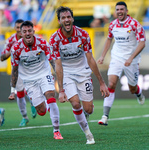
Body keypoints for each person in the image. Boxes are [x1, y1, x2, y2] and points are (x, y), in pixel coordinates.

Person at [49, 6, 109, 144]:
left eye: (68, 17)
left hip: (83, 73)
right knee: (76, 104)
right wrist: (61, 90)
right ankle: (88, 134)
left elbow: (90, 59)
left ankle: (86, 113)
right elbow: (58, 65)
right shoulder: (54, 39)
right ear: (59, 21)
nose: (67, 20)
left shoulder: (83, 34)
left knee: (88, 109)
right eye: (63, 18)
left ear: (72, 18)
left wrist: (101, 82)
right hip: (67, 74)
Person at [9, 21, 63, 139]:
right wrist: (13, 90)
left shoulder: (43, 43)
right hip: (29, 80)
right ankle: (42, 104)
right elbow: (15, 69)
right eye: (24, 32)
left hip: (44, 74)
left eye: (30, 31)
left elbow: (53, 62)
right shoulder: (16, 48)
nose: (27, 34)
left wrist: (60, 82)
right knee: (42, 111)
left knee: (51, 97)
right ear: (21, 33)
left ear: (33, 31)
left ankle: (56, 130)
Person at [97, 1, 146, 126]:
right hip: (117, 58)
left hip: (132, 60)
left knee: (132, 88)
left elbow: (142, 43)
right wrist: (102, 56)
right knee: (111, 84)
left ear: (126, 11)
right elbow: (109, 39)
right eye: (117, 9)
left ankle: (138, 93)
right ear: (115, 11)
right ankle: (105, 116)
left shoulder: (135, 24)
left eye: (122, 9)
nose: (119, 11)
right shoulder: (112, 25)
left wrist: (131, 58)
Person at [1, 19, 37, 127]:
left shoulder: (33, 38)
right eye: (18, 28)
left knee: (33, 90)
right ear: (17, 29)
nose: (20, 31)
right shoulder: (11, 40)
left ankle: (33, 103)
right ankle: (24, 117)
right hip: (18, 69)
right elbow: (2, 57)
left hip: (31, 67)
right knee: (19, 93)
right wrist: (12, 51)